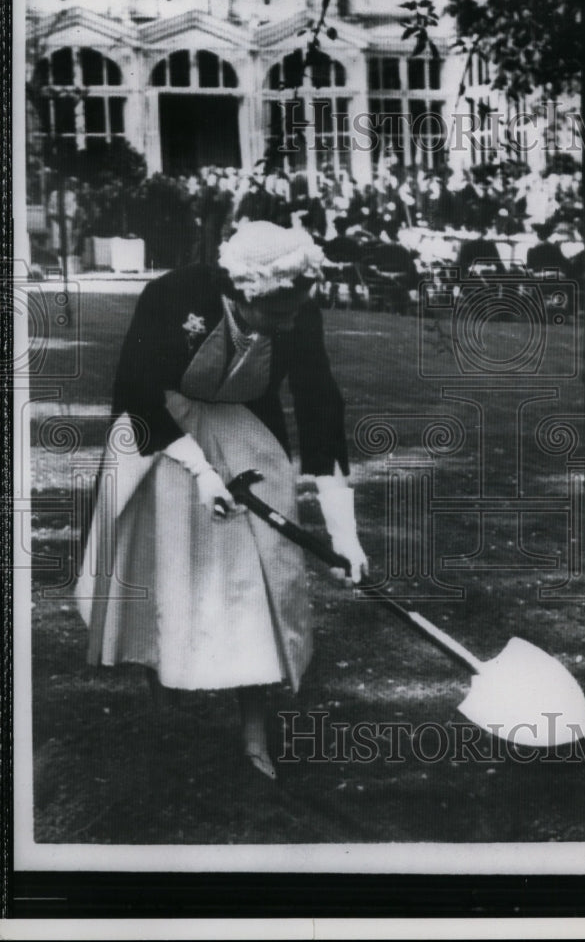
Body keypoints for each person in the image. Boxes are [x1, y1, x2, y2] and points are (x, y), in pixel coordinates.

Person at [75, 221, 369, 780]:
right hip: (160, 436)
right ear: (244, 294)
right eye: (277, 316)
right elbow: (137, 393)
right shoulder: (170, 296)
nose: (289, 325)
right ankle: (166, 708)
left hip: (246, 435)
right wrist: (202, 474)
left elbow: (320, 407)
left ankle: (254, 731)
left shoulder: (297, 307)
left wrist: (344, 534)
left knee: (255, 584)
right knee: (164, 573)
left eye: (295, 313)